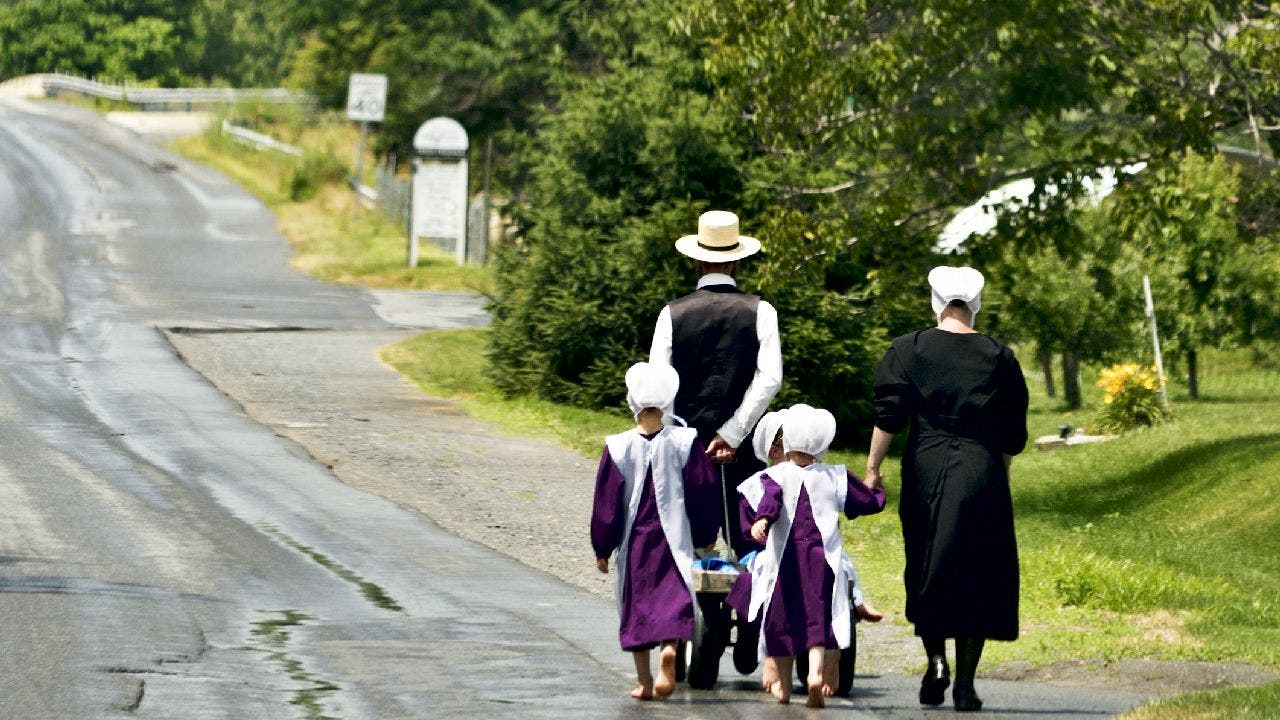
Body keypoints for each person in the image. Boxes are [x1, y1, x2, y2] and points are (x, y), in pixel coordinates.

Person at [865, 266, 1029, 712]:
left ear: (936, 302)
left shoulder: (907, 349)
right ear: (976, 304)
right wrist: (1002, 474)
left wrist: (873, 468)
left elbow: (889, 416)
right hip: (981, 467)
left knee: (926, 559)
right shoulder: (999, 356)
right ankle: (966, 684)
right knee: (978, 568)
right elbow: (1012, 432)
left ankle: (935, 660)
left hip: (927, 464)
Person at [649, 210, 782, 556]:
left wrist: (676, 440)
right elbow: (770, 378)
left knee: (692, 539)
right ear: (737, 263)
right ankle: (749, 608)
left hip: (686, 443)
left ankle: (705, 608)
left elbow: (659, 386)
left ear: (696, 260)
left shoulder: (671, 314)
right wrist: (733, 433)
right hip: (745, 444)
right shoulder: (761, 310)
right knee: (750, 537)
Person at [725, 409, 883, 697]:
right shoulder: (821, 476)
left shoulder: (773, 479)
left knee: (786, 605)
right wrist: (876, 491)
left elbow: (765, 510)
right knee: (820, 598)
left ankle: (789, 669)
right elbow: (866, 502)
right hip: (804, 555)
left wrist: (762, 521)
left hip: (787, 557)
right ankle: (813, 665)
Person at [590, 362, 722, 700]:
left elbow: (607, 503)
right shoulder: (685, 441)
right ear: (667, 402)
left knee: (638, 606)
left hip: (636, 541)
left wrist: (603, 547)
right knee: (672, 597)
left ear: (632, 401)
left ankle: (644, 680)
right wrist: (706, 533)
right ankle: (669, 649)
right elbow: (702, 489)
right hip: (672, 540)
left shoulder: (617, 446)